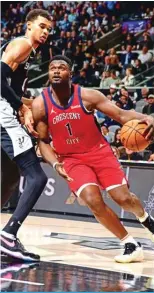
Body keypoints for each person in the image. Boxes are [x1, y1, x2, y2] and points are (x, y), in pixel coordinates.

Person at [32, 55, 154, 263]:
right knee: (92, 199)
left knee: (123, 199)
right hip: (70, 159)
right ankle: (130, 244)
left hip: (99, 153)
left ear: (70, 73)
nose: (56, 71)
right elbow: (43, 141)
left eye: (62, 67)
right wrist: (54, 163)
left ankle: (145, 218)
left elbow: (120, 115)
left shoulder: (88, 96)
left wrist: (146, 118)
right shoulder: (40, 104)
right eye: (52, 67)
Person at [0, 9, 52, 261]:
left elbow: (11, 89)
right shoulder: (22, 44)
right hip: (2, 115)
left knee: (9, 177)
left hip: (5, 111)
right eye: (41, 26)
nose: (45, 32)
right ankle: (8, 236)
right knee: (36, 177)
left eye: (49, 29)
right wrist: (21, 107)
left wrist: (31, 104)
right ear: (28, 26)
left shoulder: (26, 53)